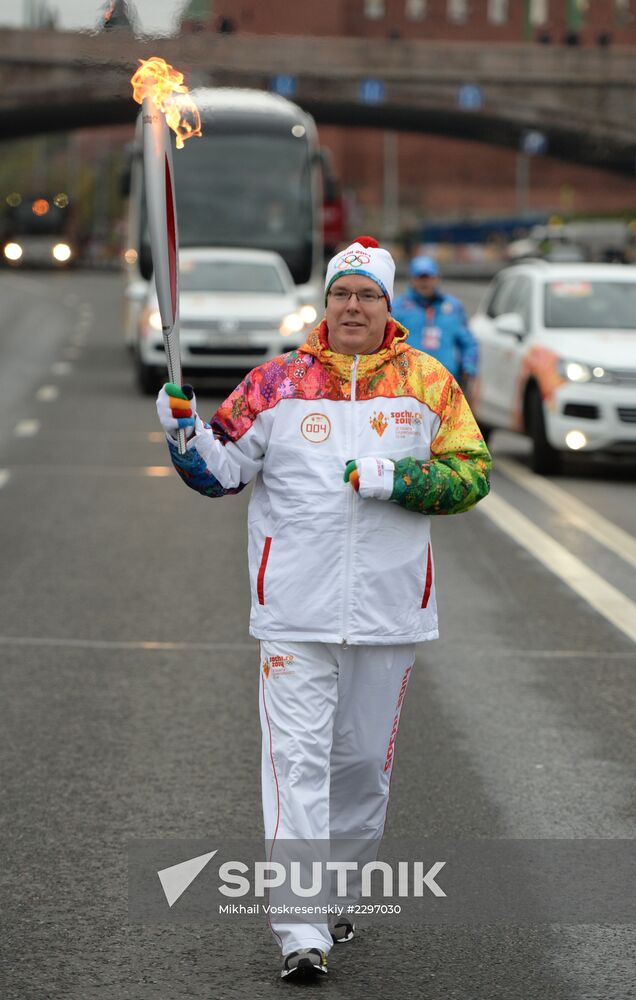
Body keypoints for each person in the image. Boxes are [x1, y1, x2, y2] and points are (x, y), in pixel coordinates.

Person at [156, 236, 491, 982]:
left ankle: (339, 893)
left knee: (362, 767)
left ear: (387, 307)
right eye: (341, 293)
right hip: (294, 614)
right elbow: (222, 471)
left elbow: (472, 474)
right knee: (296, 764)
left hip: (388, 610)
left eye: (366, 295)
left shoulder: (428, 384)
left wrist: (400, 477)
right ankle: (299, 928)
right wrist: (184, 437)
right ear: (326, 302)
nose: (351, 306)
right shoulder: (276, 383)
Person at [392, 255, 479, 395]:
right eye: (420, 278)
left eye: (429, 277)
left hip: (446, 384)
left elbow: (469, 343)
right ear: (412, 279)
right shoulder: (398, 308)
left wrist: (468, 367)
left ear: (437, 278)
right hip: (408, 384)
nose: (425, 282)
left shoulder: (453, 308)